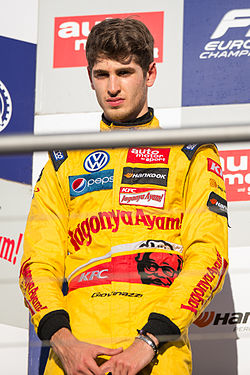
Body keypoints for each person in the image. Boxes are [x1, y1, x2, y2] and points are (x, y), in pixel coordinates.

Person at [19, 18, 228, 375]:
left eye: (125, 72)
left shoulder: (189, 155)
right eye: (102, 74)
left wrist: (148, 341)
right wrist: (64, 342)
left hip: (158, 354)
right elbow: (37, 264)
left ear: (150, 74)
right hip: (75, 355)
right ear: (90, 77)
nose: (113, 87)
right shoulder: (64, 163)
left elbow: (209, 256)